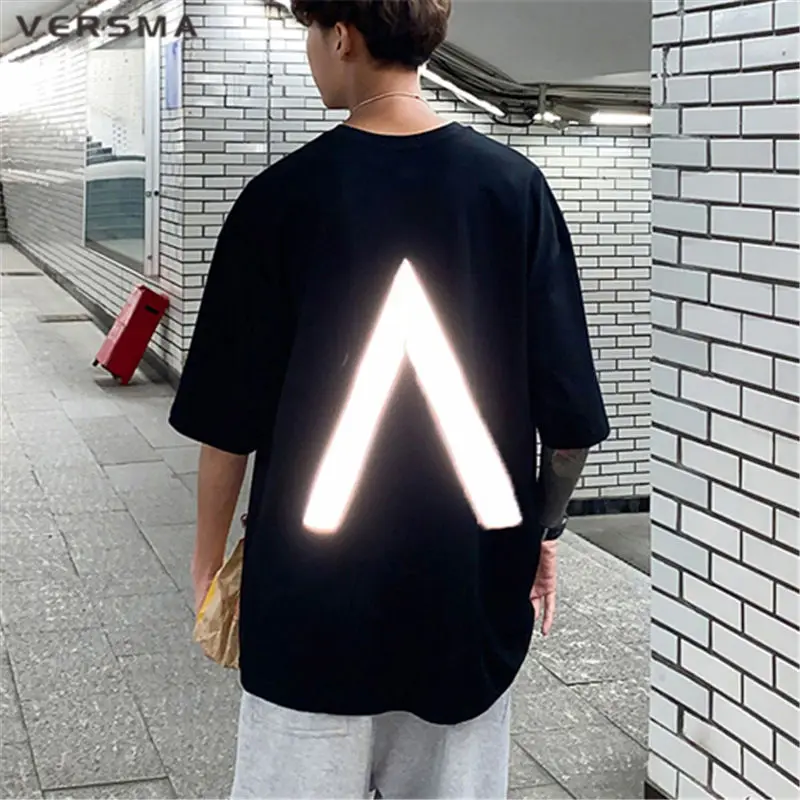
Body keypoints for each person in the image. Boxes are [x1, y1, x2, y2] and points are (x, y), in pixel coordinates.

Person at [169, 0, 609, 797]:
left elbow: (226, 421)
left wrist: (208, 564)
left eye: (311, 32)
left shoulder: (280, 198)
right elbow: (570, 426)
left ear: (341, 37)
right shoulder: (515, 189)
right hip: (467, 599)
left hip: (311, 606)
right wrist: (543, 531)